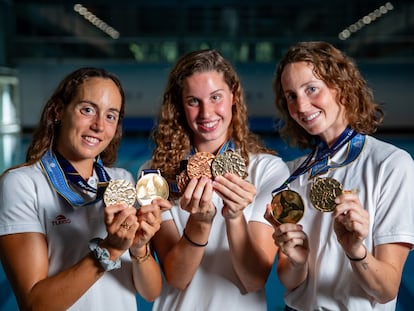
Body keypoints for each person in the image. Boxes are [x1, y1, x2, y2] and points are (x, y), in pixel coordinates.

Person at [0, 67, 170, 310]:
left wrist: (139, 246)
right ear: (59, 111)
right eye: (88, 110)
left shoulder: (120, 180)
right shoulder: (22, 184)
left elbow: (151, 292)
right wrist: (110, 249)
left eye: (111, 116)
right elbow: (34, 305)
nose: (99, 126)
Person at [265, 41, 414, 310]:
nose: (301, 104)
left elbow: (387, 290)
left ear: (342, 87)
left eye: (312, 89)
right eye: (291, 95)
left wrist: (355, 250)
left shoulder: (390, 164)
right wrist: (297, 260)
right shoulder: (293, 173)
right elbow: (289, 282)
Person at [140, 49, 290, 310]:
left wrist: (234, 217)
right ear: (179, 104)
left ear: (234, 95)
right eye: (193, 101)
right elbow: (177, 277)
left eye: (215, 97)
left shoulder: (267, 170)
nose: (206, 112)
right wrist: (200, 221)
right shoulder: (154, 173)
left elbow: (254, 280)